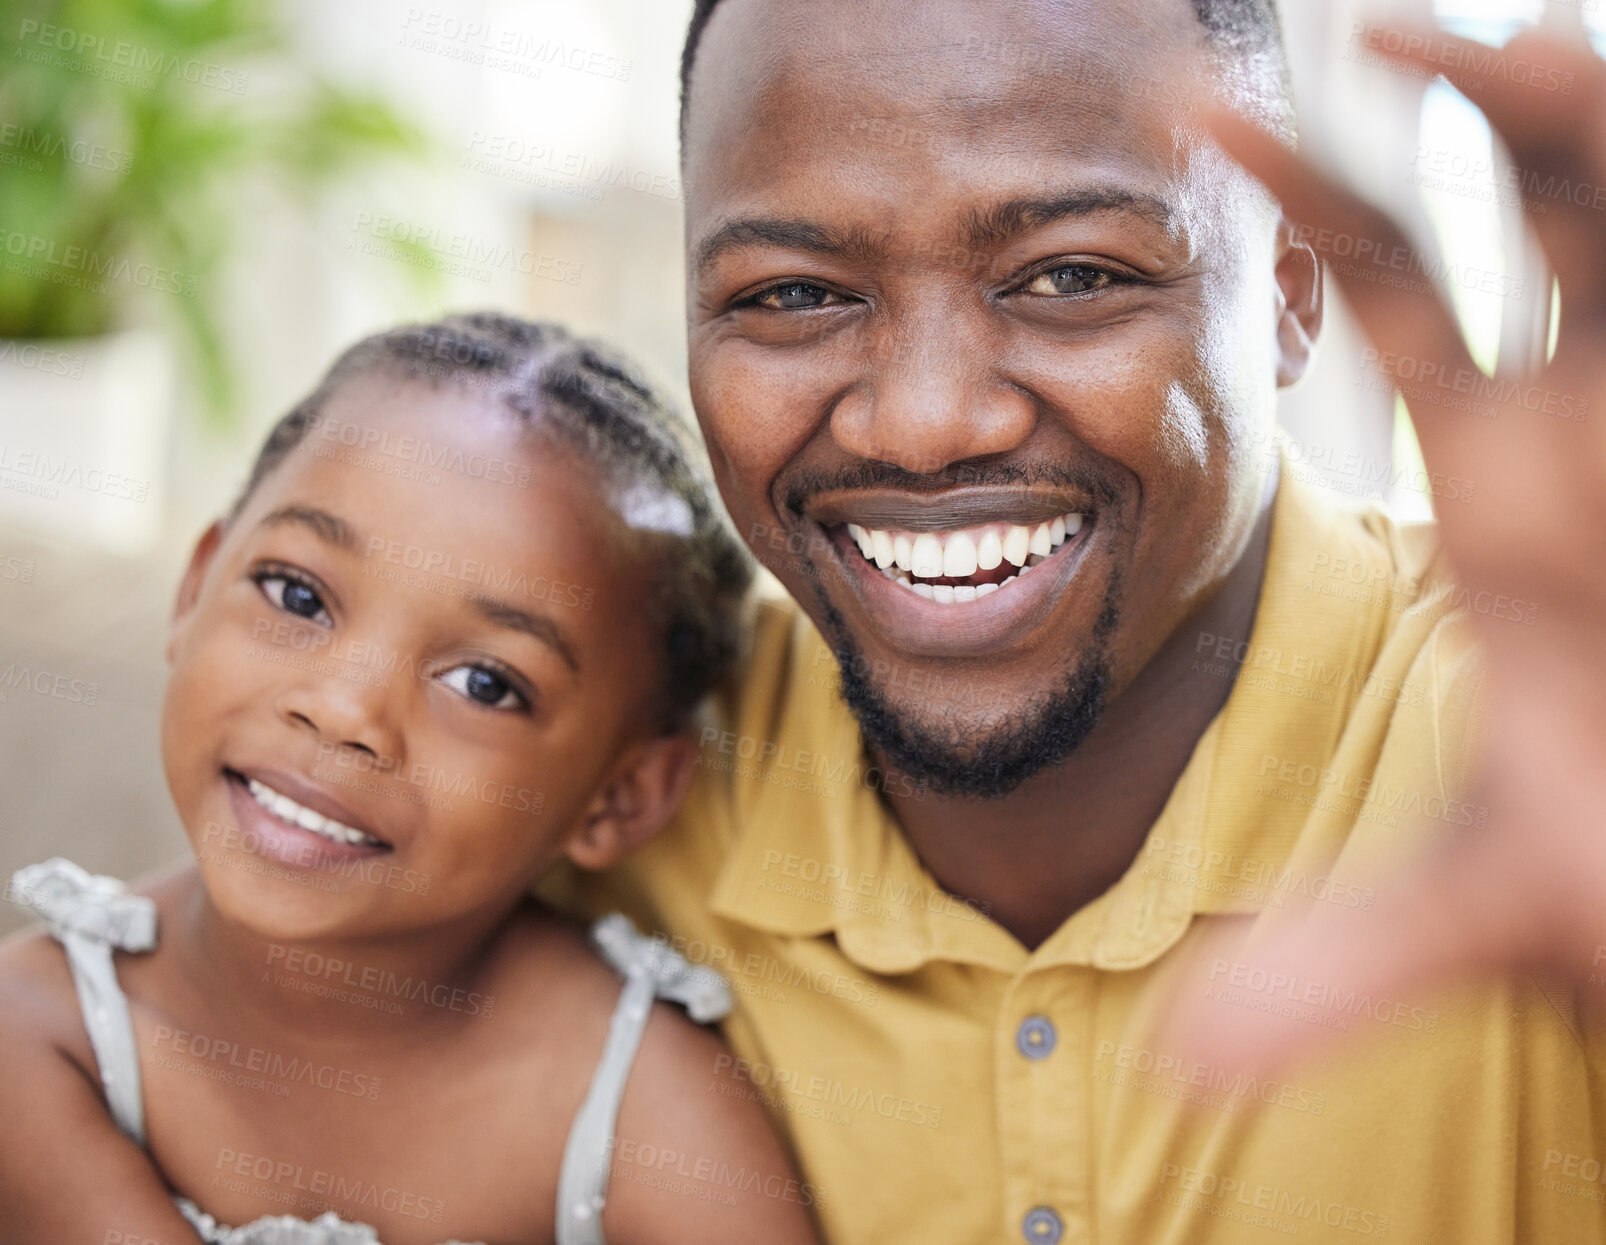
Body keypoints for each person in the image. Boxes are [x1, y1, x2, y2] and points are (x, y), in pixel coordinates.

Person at [541, 2, 1606, 1242]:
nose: (926, 423)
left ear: (1283, 306)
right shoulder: (601, 780)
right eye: (790, 293)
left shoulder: (1537, 727)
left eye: (1073, 276)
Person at [0, 314, 823, 1245]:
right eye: (297, 594)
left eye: (486, 683)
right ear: (193, 591)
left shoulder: (633, 1099)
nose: (344, 711)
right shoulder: (39, 1036)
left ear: (618, 797)